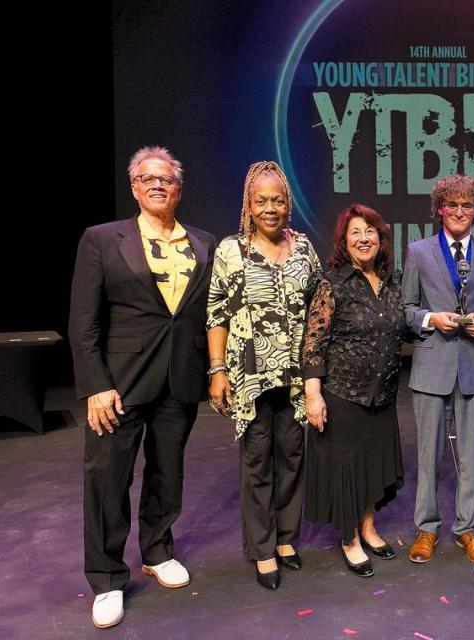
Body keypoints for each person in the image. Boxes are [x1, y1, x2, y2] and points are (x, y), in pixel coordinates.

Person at [69, 146, 215, 629]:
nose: (158, 185)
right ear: (134, 187)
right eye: (148, 178)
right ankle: (108, 577)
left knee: (166, 472)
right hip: (119, 385)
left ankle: (157, 549)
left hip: (180, 378)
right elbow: (84, 322)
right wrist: (95, 385)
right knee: (108, 480)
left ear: (179, 189)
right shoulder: (102, 240)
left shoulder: (203, 243)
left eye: (167, 179)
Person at [206, 161, 321, 590]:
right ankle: (261, 548)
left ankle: (287, 538)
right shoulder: (230, 250)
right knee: (257, 458)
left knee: (292, 452)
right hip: (250, 374)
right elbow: (216, 312)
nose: (270, 208)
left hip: (294, 374)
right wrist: (217, 369)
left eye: (277, 200)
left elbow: (318, 311)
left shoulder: (305, 248)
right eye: (261, 200)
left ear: (287, 203)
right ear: (248, 205)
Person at [402, 174, 474, 565]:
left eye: (467, 206)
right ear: (439, 209)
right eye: (452, 205)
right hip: (432, 365)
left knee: (470, 454)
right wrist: (431, 319)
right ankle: (426, 528)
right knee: (428, 455)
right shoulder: (418, 252)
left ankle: (467, 528)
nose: (459, 211)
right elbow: (407, 309)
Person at [302, 204, 407, 578]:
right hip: (344, 394)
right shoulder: (332, 283)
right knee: (347, 469)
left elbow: (402, 327)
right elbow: (313, 342)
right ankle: (349, 539)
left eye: (370, 232)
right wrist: (313, 395)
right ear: (344, 242)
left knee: (370, 466)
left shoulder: (392, 281)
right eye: (355, 233)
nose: (364, 239)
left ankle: (368, 527)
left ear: (381, 238)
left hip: (383, 394)